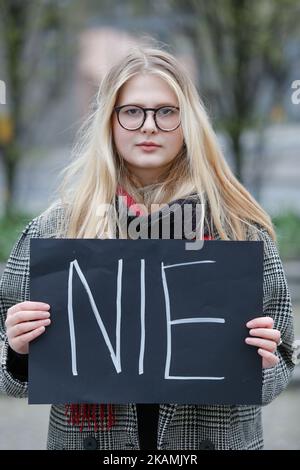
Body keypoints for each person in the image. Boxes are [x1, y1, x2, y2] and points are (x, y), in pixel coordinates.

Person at [0, 44, 295, 451]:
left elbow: (283, 360)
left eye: (166, 111)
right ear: (110, 120)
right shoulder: (57, 228)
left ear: (188, 121)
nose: (149, 126)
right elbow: (9, 371)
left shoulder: (238, 230)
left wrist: (264, 362)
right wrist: (17, 349)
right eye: (133, 111)